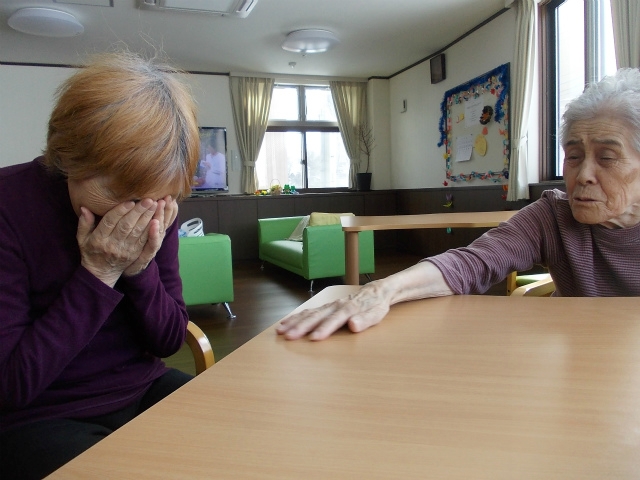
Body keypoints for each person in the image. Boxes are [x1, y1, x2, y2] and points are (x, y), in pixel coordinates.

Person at [277, 67, 640, 342]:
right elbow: (470, 262)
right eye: (573, 156)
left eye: (607, 157)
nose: (583, 175)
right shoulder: (552, 216)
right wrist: (379, 291)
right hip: (582, 362)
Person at [0, 51, 200, 479]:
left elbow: (168, 340)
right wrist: (99, 273)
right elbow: (12, 385)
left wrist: (139, 271)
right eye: (125, 198)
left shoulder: (157, 207)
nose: (140, 215)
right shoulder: (8, 207)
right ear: (68, 158)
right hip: (38, 415)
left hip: (142, 387)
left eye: (159, 199)